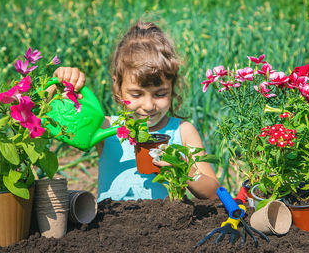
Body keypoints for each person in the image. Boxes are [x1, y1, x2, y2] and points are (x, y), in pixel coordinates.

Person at [52, 21, 221, 202]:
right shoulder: (107, 127)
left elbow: (213, 193)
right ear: (118, 87)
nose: (148, 105)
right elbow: (46, 123)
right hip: (111, 227)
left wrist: (184, 169)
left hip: (169, 227)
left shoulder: (183, 131)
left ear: (173, 87)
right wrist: (58, 83)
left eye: (160, 94)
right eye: (136, 94)